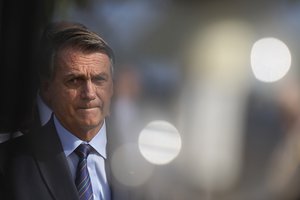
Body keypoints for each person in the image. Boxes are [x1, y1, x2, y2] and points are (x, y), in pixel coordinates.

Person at [0, 21, 117, 200]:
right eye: (74, 81)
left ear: (112, 87)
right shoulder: (9, 164)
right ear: (47, 89)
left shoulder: (149, 157)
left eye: (99, 79)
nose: (89, 93)